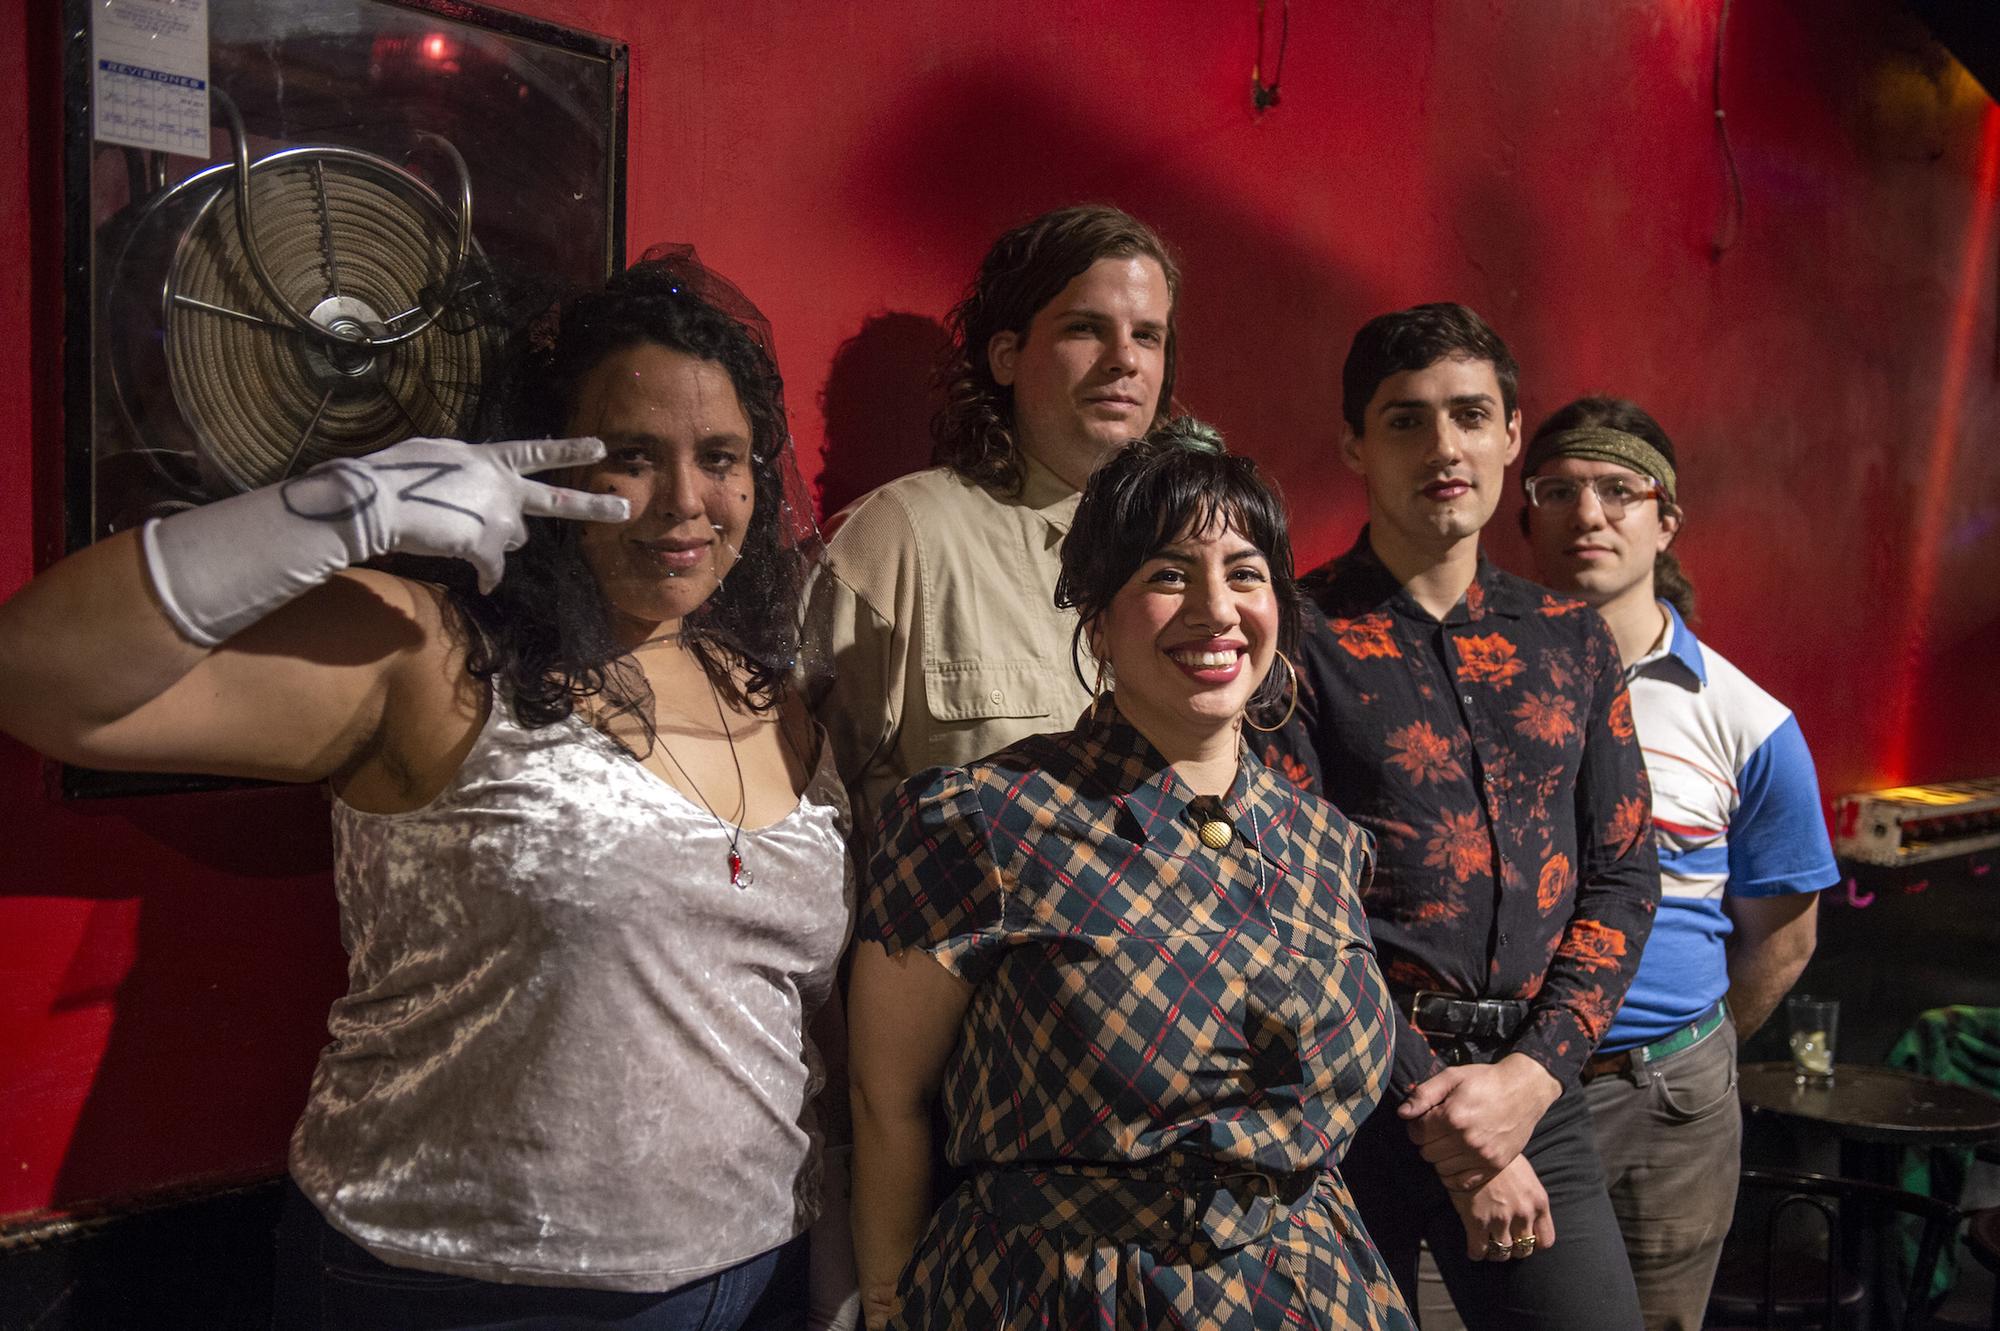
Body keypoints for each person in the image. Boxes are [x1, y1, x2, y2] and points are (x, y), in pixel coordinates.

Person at [0, 251, 853, 1330]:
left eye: (720, 456)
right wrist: (339, 511)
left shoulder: (771, 690)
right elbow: (38, 680)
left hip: (757, 1273)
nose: (684, 500)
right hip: (460, 1289)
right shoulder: (430, 653)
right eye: (630, 456)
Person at [846, 427, 1414, 1331]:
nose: (1216, 608)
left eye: (1245, 572)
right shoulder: (979, 821)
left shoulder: (1323, 841)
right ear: (1098, 621)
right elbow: (888, 1096)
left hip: (1304, 1291)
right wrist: (884, 1293)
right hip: (1060, 1296)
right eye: (1166, 574)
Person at [1269, 303, 1658, 1329]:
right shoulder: (1294, 640)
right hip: (1349, 1096)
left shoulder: (1571, 639)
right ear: (1355, 441)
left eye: (1467, 414)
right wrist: (1449, 1126)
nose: (1442, 446)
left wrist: (1530, 1079)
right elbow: (1296, 911)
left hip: (1539, 1081)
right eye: (1404, 419)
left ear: (1508, 433)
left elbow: (1622, 871)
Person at [1521, 397, 1837, 1331]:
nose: (1589, 514)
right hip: (1499, 1094)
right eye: (1561, 490)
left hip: (1664, 1099)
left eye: (1621, 491)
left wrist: (1689, 1059)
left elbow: (1785, 939)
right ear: (1525, 516)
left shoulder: (1747, 720)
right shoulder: (1464, 685)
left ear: (1667, 522)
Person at [805, 204, 1180, 828]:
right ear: (1006, 355)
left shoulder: (1195, 560)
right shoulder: (897, 540)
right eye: (1086, 327)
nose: (1125, 359)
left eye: (1148, 335)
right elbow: (786, 798)